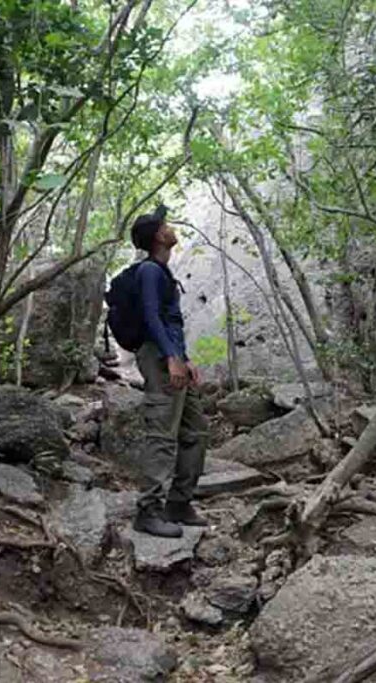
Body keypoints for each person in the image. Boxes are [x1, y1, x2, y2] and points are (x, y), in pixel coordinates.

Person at [129, 209, 209, 538]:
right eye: (165, 225)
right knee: (162, 435)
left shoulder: (163, 271)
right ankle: (147, 511)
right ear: (159, 236)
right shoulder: (149, 270)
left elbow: (171, 320)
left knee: (196, 430)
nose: (170, 227)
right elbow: (150, 315)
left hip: (173, 355)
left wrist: (185, 358)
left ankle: (178, 502)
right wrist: (171, 356)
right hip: (159, 355)